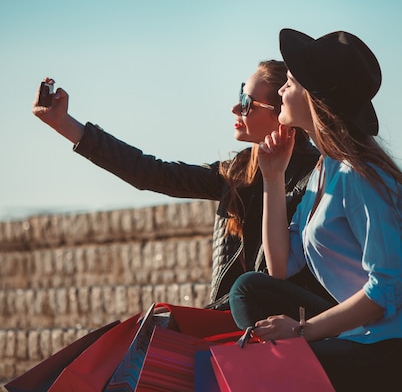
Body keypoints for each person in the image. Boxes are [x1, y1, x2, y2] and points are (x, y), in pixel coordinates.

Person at [228, 29, 402, 391]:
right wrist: (272, 178)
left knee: (274, 372)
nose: (282, 89)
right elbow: (279, 267)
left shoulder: (361, 174)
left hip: (400, 351)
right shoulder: (322, 172)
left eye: (291, 83)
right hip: (358, 337)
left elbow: (388, 288)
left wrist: (302, 331)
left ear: (314, 99)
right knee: (248, 289)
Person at [32, 60, 332, 310]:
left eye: (246, 102)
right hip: (231, 312)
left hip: (276, 322)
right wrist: (65, 124)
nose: (234, 109)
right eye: (239, 95)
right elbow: (152, 173)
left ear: (278, 114)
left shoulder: (315, 175)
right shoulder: (238, 171)